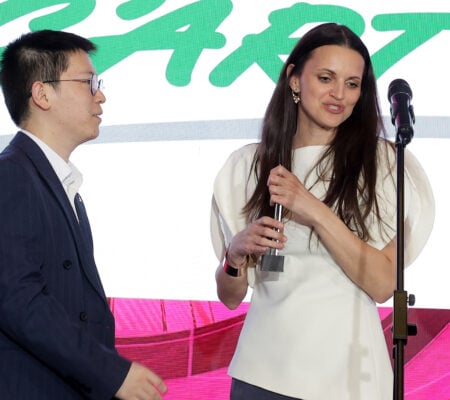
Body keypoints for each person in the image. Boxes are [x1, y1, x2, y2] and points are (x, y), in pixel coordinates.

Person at [210, 23, 434, 400]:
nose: (339, 94)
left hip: (351, 378)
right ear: (294, 79)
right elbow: (230, 296)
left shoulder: (381, 163)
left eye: (352, 83)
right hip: (263, 374)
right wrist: (234, 255)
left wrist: (312, 208)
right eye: (326, 78)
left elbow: (383, 284)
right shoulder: (247, 166)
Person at [0, 30, 167, 399]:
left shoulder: (57, 181)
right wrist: (112, 373)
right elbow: (19, 300)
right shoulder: (10, 175)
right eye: (88, 82)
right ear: (42, 94)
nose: (100, 95)